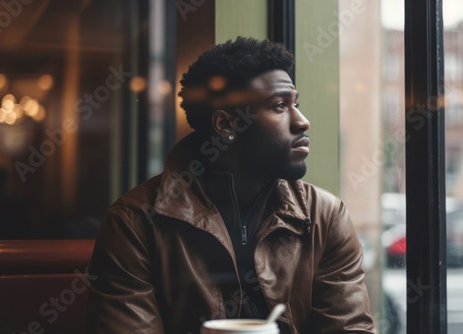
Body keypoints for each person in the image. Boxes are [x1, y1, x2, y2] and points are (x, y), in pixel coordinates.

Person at [86, 37, 375, 334]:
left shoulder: (324, 217)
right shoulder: (135, 224)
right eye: (279, 106)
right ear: (226, 125)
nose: (302, 121)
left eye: (295, 104)